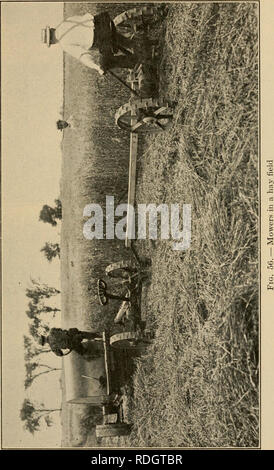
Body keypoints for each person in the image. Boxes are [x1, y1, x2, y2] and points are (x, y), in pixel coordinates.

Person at [41, 11, 138, 75]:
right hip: (104, 20)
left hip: (103, 39)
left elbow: (83, 56)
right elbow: (87, 18)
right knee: (113, 37)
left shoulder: (64, 44)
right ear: (52, 29)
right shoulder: (65, 21)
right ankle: (136, 45)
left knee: (106, 63)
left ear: (52, 42)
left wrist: (97, 68)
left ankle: (138, 62)